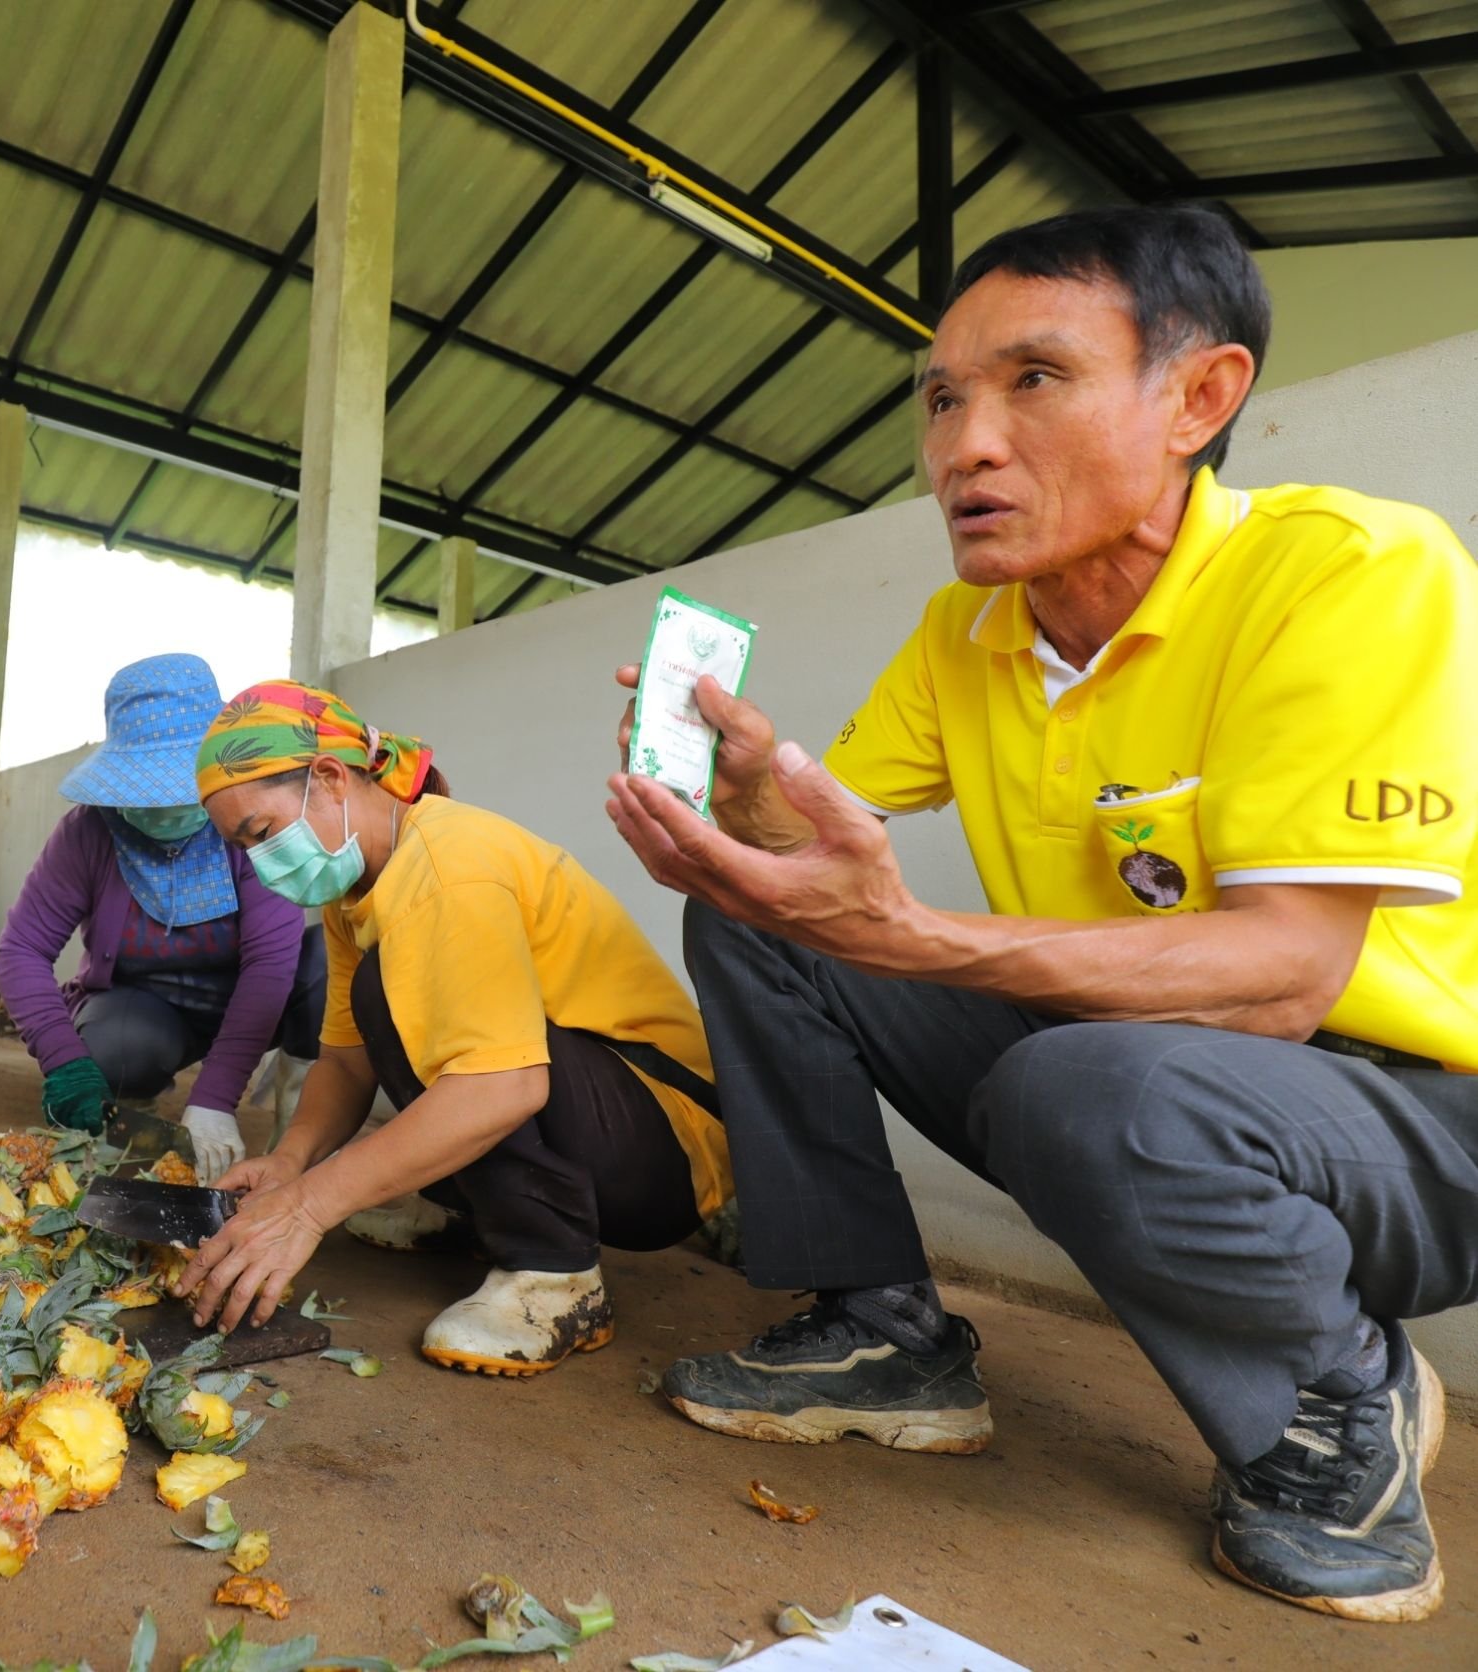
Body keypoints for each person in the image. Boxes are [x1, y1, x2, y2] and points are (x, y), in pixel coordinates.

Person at [607, 204, 1478, 1625]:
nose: (967, 444)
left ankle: (1342, 1405)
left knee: (1090, 1083)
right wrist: (751, 797)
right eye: (942, 399)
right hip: (1138, 1065)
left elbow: (1282, 983)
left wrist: (917, 939)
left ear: (1201, 397)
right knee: (763, 922)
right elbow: (822, 863)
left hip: (1417, 1125)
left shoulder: (1349, 573)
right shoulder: (973, 633)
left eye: (1035, 380)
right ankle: (881, 1333)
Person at [179, 682, 731, 1376]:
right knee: (397, 1006)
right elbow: (346, 1063)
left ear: (328, 778)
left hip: (667, 1151)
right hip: (604, 1117)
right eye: (244, 848)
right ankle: (485, 1211)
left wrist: (309, 1207)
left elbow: (505, 1087)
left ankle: (553, 1275)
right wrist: (289, 1166)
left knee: (405, 1002)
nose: (261, 864)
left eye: (261, 834)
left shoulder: (447, 868)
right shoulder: (358, 890)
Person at [0, 655, 324, 1183]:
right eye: (145, 796)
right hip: (146, 1009)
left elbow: (268, 966)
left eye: (179, 790)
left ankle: (296, 1141)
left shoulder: (251, 816)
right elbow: (21, 951)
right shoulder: (88, 833)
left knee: (325, 965)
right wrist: (64, 1063)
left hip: (253, 1001)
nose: (165, 809)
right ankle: (130, 1123)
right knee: (117, 1050)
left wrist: (216, 1099)